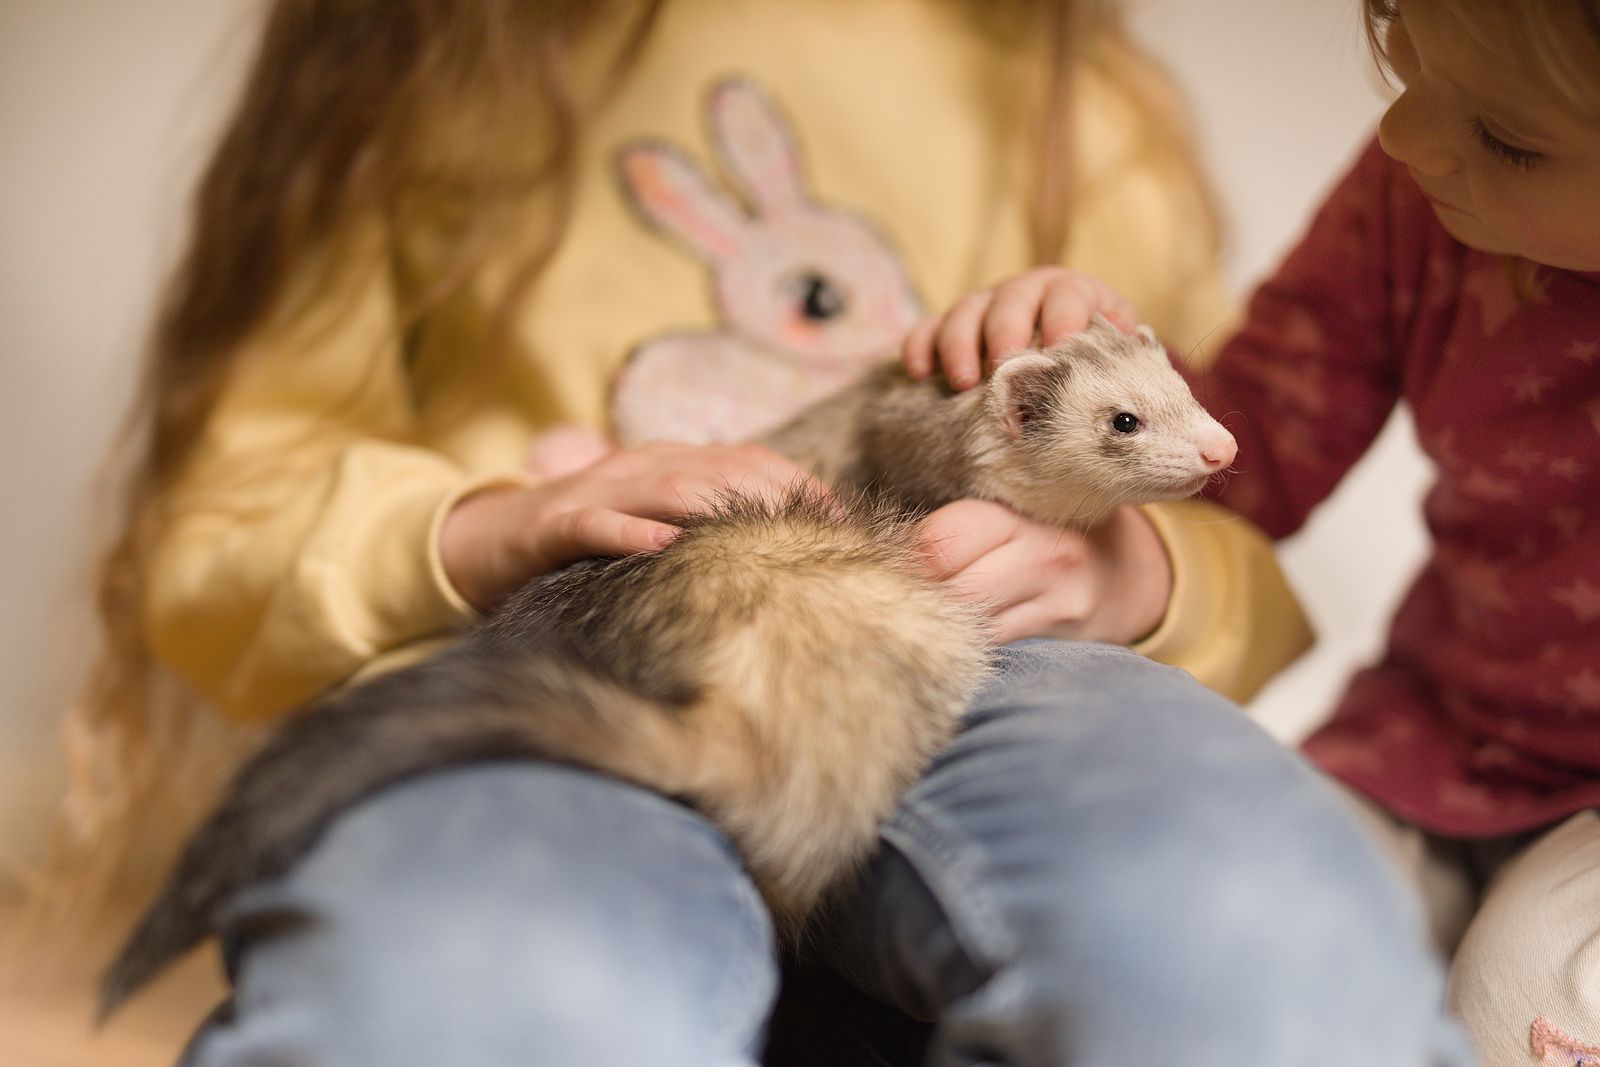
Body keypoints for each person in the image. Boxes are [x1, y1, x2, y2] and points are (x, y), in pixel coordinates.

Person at [48, 1, 1466, 1064]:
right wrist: (481, 525)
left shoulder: (1075, 95)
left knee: (1250, 925)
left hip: (993, 661)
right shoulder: (430, 47)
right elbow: (224, 510)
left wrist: (1138, 573)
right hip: (563, 649)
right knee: (471, 988)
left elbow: (1224, 488)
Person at [910, 0, 1600, 1063]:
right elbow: (1245, 455)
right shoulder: (1417, 200)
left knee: (1524, 1013)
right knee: (1212, 943)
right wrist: (1095, 375)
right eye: (1401, 48)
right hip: (1432, 744)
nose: (1404, 133)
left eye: (1509, 137)